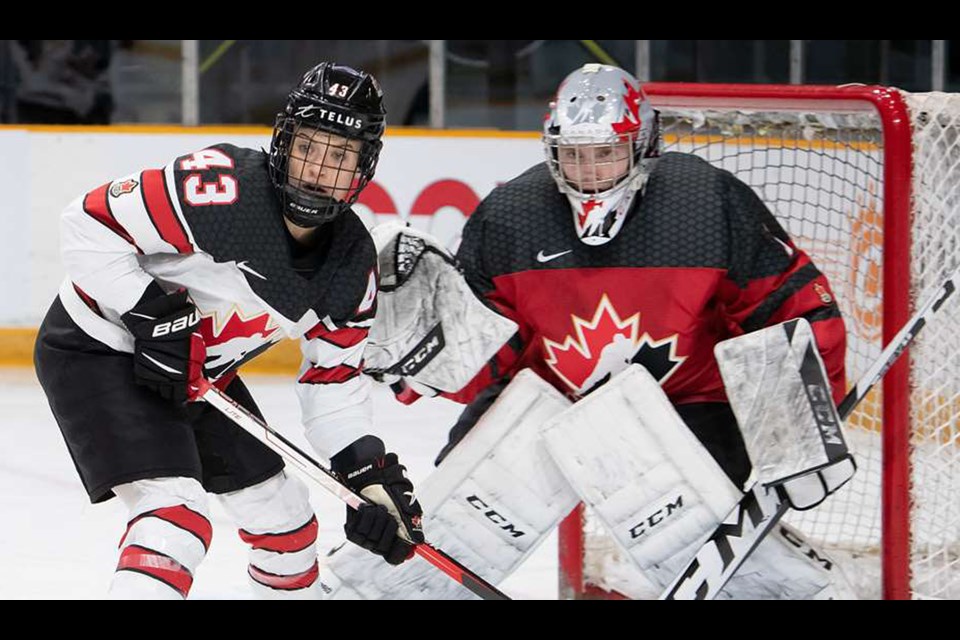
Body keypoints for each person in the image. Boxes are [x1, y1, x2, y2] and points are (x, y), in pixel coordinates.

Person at [323, 63, 854, 600]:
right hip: (549, 403)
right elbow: (485, 358)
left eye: (605, 153)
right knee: (458, 523)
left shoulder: (704, 203)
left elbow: (792, 304)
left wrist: (800, 426)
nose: (589, 171)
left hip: (689, 409)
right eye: (574, 154)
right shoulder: (510, 217)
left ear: (643, 145)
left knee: (708, 545)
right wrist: (415, 358)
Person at [33, 61, 424, 600]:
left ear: (364, 168)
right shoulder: (222, 188)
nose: (317, 170)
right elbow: (86, 223)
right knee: (174, 521)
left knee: (286, 521)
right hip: (97, 346)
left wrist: (366, 472)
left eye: (339, 156)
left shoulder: (352, 267)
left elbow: (332, 383)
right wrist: (149, 310)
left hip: (197, 374)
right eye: (309, 146)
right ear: (283, 141)